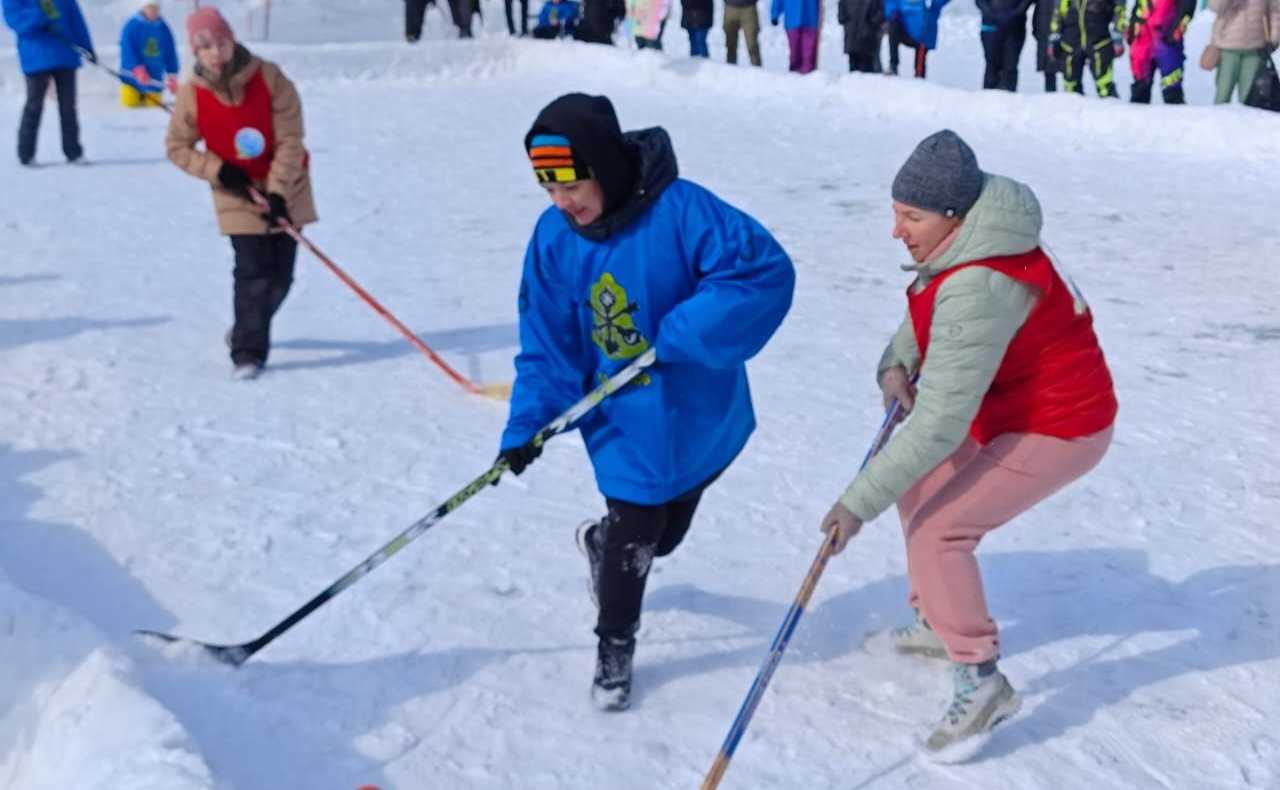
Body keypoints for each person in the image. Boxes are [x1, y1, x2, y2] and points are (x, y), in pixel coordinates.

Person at [819, 130, 1117, 761]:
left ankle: (982, 682)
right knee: (921, 489)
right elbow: (930, 300)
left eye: (911, 216)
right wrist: (896, 361)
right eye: (896, 211)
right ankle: (937, 620)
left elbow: (937, 425)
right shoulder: (976, 237)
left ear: (954, 215)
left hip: (1063, 423)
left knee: (939, 530)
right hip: (1007, 404)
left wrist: (854, 504)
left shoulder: (981, 279)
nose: (896, 230)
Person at [499, 93, 795, 712]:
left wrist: (683, 332)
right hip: (622, 421)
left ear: (603, 165)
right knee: (638, 531)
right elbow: (547, 345)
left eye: (571, 185)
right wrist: (528, 422)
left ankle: (602, 547)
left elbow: (761, 272)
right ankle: (614, 650)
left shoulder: (683, 210)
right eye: (548, 189)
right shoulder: (554, 238)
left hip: (696, 414)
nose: (562, 203)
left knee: (663, 536)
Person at [164, 7, 317, 380]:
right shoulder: (192, 95)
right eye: (206, 47)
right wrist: (219, 171)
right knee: (252, 272)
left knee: (281, 277)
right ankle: (247, 351)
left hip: (286, 186)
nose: (215, 52)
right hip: (235, 193)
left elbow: (290, 137)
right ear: (195, 53)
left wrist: (278, 193)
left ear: (232, 41)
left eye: (221, 42)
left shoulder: (269, 77)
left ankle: (247, 323)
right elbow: (177, 147)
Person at [3, 0, 95, 166]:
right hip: (37, 55)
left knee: (68, 106)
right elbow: (14, 20)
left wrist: (87, 47)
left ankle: (73, 152)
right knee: (34, 105)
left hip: (65, 54)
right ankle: (26, 154)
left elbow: (75, 19)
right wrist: (38, 17)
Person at [1047, 0, 1126, 96]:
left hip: (1099, 39)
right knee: (1070, 87)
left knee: (1105, 86)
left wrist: (1117, 36)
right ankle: (1073, 110)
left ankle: (1112, 109)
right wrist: (1054, 37)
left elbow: (1120, 8)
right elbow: (1057, 9)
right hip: (1071, 39)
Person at [1208, 0, 1280, 103]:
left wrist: (1274, 38)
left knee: (1249, 97)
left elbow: (1275, 12)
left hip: (1255, 48)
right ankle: (1218, 118)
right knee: (1223, 92)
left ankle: (1246, 118)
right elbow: (1215, 7)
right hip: (1228, 47)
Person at [1127, 0, 1196, 102]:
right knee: (1140, 84)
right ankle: (1136, 113)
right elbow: (1139, 5)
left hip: (1166, 33)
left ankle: (1175, 110)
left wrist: (1177, 26)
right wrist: (1133, 24)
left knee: (1171, 83)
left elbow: (1187, 6)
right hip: (1144, 35)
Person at [119, 2, 179, 108]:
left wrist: (172, 74)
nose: (153, 11)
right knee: (130, 110)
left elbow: (170, 52)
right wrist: (136, 67)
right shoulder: (132, 26)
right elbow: (127, 49)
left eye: (156, 8)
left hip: (154, 79)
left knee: (154, 112)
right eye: (150, 8)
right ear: (143, 8)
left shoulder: (163, 29)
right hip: (131, 79)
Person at [884, 0, 950, 77]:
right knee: (893, 28)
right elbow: (891, 2)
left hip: (923, 32)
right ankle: (893, 66)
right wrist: (893, 12)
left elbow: (937, 4)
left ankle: (919, 80)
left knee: (919, 70)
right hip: (905, 27)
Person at [977, 0, 1033, 90]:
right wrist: (992, 15)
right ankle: (988, 97)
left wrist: (1015, 14)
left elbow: (1026, 2)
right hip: (990, 27)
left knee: (1010, 66)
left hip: (1015, 28)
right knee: (992, 65)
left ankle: (1009, 97)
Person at [771, 0, 822, 72]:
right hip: (792, 18)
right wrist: (775, 12)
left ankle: (808, 75)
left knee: (809, 56)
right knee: (795, 52)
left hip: (810, 17)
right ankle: (795, 75)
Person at [839, 0, 885, 71]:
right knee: (853, 70)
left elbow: (881, 12)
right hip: (852, 37)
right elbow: (842, 12)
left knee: (867, 70)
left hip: (868, 39)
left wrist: (874, 22)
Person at [1032, 0, 1060, 89]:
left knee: (1071, 68)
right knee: (1049, 70)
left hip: (1067, 30)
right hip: (1044, 27)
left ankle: (1074, 99)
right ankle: (1051, 98)